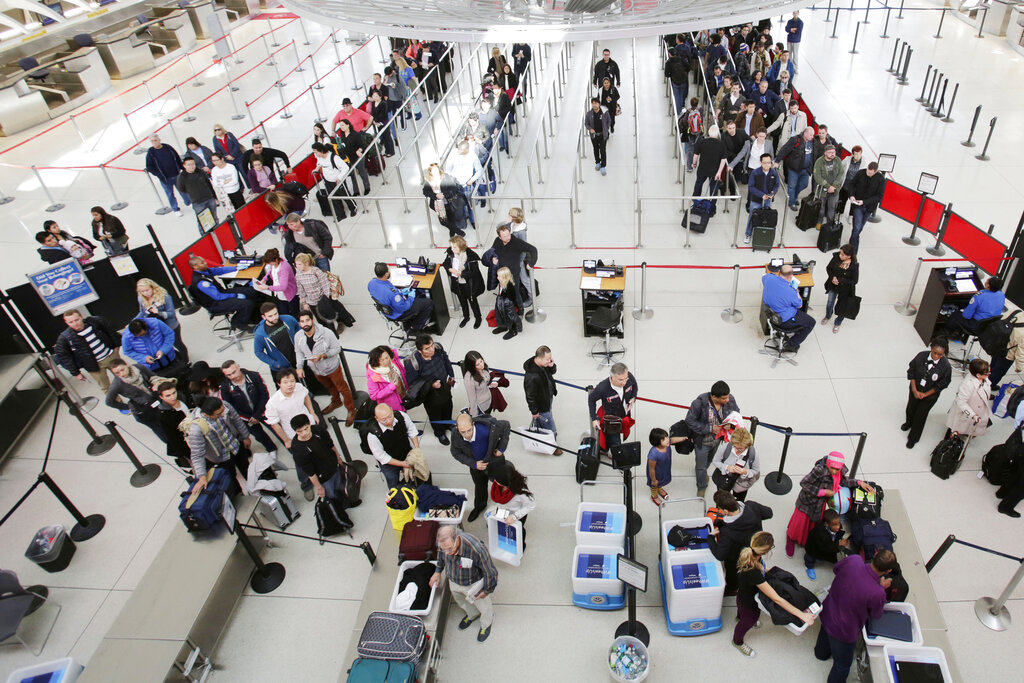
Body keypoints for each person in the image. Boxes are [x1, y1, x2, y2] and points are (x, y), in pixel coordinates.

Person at [815, 550, 897, 682]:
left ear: (874, 555)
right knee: (842, 665)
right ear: (888, 571)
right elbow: (875, 614)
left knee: (825, 634)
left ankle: (821, 654)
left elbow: (836, 569)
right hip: (844, 632)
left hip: (828, 611)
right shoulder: (877, 593)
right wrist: (881, 588)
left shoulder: (854, 560)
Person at [733, 531, 815, 658]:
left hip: (743, 593)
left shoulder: (749, 553)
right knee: (748, 620)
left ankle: (740, 617)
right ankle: (737, 641)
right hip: (749, 603)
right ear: (765, 551)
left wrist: (765, 570)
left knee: (742, 610)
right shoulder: (752, 572)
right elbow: (777, 599)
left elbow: (759, 571)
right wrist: (801, 615)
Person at [785, 451, 876, 557]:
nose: (834, 471)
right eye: (831, 467)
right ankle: (791, 538)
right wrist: (823, 492)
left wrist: (859, 483)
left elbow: (843, 482)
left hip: (820, 504)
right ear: (827, 463)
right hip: (807, 502)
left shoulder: (839, 472)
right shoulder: (819, 471)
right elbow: (804, 483)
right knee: (800, 523)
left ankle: (805, 539)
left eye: (837, 469)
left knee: (812, 525)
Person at [430, 526, 498, 643]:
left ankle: (486, 623)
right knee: (462, 601)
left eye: (450, 549)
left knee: (484, 606)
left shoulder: (476, 549)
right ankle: (472, 614)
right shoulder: (444, 545)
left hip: (473, 584)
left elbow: (490, 572)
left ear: (457, 538)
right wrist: (437, 572)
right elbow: (441, 557)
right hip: (454, 580)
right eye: (443, 549)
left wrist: (486, 590)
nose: (447, 552)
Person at [264, 368, 319, 499]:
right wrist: (286, 440)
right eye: (286, 382)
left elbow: (306, 396)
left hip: (309, 426)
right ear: (279, 384)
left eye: (292, 381)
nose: (290, 385)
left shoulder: (299, 388)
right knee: (301, 462)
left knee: (317, 451)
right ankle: (306, 486)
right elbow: (274, 423)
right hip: (293, 435)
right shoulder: (273, 403)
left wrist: (312, 413)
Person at [293, 311, 356, 424]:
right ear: (299, 323)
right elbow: (298, 352)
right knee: (330, 387)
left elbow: (336, 349)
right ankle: (336, 401)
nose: (305, 323)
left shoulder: (327, 333)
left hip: (332, 368)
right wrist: (299, 367)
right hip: (316, 370)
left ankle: (351, 409)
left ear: (312, 320)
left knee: (343, 388)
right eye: (302, 321)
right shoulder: (298, 336)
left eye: (307, 320)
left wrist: (322, 356)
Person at [707, 490, 774, 594]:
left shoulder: (727, 532)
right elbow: (769, 513)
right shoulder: (752, 506)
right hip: (756, 548)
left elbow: (720, 555)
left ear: (725, 511)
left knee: (733, 576)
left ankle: (732, 589)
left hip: (737, 559)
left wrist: (710, 538)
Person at [451, 413, 510, 522]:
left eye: (469, 430)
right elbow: (455, 452)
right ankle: (479, 506)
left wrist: (501, 448)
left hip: (495, 462)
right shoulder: (455, 434)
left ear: (473, 424)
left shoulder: (487, 428)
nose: (467, 435)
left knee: (502, 483)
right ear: (457, 428)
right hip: (476, 467)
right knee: (480, 486)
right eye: (463, 432)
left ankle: (506, 506)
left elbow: (506, 425)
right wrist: (473, 464)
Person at [686, 381, 741, 497]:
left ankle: (703, 470)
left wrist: (730, 424)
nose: (728, 400)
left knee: (709, 460)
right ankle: (701, 486)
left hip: (717, 441)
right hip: (702, 442)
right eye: (724, 398)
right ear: (714, 397)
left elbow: (736, 413)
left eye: (728, 397)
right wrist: (709, 428)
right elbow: (690, 421)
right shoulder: (699, 404)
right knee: (700, 467)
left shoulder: (730, 399)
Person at [186, 397, 251, 493]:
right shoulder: (197, 428)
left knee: (247, 469)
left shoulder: (224, 405)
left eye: (222, 411)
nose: (223, 414)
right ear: (207, 415)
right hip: (222, 458)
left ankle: (255, 487)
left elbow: (237, 420)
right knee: (231, 479)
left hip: (235, 445)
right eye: (218, 414)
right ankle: (240, 495)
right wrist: (202, 476)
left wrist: (245, 436)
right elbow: (197, 454)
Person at [220, 360, 279, 458]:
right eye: (228, 375)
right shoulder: (225, 387)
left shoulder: (254, 376)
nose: (232, 376)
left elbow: (264, 395)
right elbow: (230, 406)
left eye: (234, 372)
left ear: (238, 367)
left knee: (276, 428)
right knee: (259, 435)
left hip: (262, 410)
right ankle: (271, 448)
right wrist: (248, 418)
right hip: (246, 417)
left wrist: (257, 414)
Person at [404, 335, 456, 444]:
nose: (432, 349)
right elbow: (413, 384)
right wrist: (431, 385)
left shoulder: (438, 348)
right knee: (435, 413)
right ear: (419, 350)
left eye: (432, 345)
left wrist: (451, 375)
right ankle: (439, 433)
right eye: (427, 348)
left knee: (448, 405)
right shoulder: (412, 363)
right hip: (429, 394)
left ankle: (448, 423)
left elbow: (446, 361)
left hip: (444, 386)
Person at [289, 414, 350, 506]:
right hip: (323, 477)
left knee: (341, 487)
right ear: (295, 431)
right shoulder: (298, 449)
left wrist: (338, 458)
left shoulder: (318, 430)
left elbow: (330, 445)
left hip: (334, 466)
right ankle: (338, 510)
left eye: (306, 428)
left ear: (309, 424)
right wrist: (319, 487)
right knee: (331, 496)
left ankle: (345, 503)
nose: (304, 433)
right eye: (299, 431)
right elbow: (310, 472)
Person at [903, 339, 953, 449]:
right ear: (931, 349)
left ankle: (913, 438)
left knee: (920, 416)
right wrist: (915, 390)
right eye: (934, 353)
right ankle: (908, 423)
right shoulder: (921, 356)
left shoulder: (946, 367)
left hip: (929, 396)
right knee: (910, 408)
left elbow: (942, 384)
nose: (936, 356)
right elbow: (911, 371)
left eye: (940, 354)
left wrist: (925, 394)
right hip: (915, 390)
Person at [54, 309, 120, 391]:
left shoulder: (94, 322)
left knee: (125, 379)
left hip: (111, 355)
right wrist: (76, 373)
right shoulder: (65, 337)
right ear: (66, 323)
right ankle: (119, 403)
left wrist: (116, 345)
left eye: (76, 320)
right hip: (94, 365)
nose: (75, 323)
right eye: (71, 322)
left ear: (81, 317)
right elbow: (63, 356)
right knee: (107, 388)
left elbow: (110, 330)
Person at [188, 256, 256, 332]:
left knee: (251, 292)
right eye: (202, 263)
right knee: (247, 304)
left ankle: (250, 317)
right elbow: (218, 297)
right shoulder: (202, 283)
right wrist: (235, 295)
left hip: (221, 293)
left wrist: (236, 268)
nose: (205, 263)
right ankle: (238, 322)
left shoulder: (205, 271)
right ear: (195, 266)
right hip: (215, 303)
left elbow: (219, 270)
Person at [105, 359, 165, 442]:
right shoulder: (117, 385)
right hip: (145, 410)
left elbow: (152, 376)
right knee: (162, 431)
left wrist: (156, 384)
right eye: (117, 373)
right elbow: (109, 401)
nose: (121, 374)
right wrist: (128, 407)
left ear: (127, 364)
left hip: (156, 400)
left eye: (122, 370)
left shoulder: (138, 368)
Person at [364, 403, 421, 489]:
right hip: (389, 464)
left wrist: (416, 448)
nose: (388, 421)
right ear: (377, 418)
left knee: (412, 476)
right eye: (384, 420)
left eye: (390, 416)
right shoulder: (373, 435)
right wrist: (402, 464)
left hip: (405, 453)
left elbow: (411, 429)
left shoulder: (401, 416)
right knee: (393, 483)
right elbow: (381, 456)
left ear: (391, 410)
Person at [763, 264, 815, 351]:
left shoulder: (769, 278)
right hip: (784, 320)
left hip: (771, 314)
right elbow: (800, 305)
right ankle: (791, 345)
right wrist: (797, 291)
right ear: (791, 276)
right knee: (811, 322)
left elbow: (765, 276)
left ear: (779, 272)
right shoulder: (791, 292)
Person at [368, 262, 434, 330]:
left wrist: (400, 292)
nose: (390, 271)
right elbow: (403, 307)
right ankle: (415, 327)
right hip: (398, 313)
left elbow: (384, 292)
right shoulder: (393, 294)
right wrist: (411, 297)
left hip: (387, 310)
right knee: (428, 303)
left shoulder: (371, 283)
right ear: (385, 274)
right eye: (389, 270)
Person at [588, 362, 639, 452]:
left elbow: (635, 386)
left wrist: (633, 397)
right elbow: (591, 399)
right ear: (612, 377)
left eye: (626, 379)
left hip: (625, 415)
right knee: (616, 444)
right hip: (612, 420)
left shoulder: (628, 377)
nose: (624, 382)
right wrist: (594, 418)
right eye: (620, 380)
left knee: (621, 435)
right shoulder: (602, 388)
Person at [135, 278, 188, 361]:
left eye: (147, 290)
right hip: (156, 327)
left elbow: (171, 313)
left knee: (177, 343)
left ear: (152, 287)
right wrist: (134, 321)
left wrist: (159, 313)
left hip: (170, 326)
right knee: (165, 346)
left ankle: (185, 360)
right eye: (142, 291)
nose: (145, 293)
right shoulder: (141, 298)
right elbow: (142, 312)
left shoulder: (165, 296)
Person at [523, 346, 562, 454]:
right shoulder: (531, 376)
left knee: (546, 417)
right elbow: (530, 396)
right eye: (547, 359)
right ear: (539, 358)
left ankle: (546, 431)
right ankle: (553, 446)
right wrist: (534, 411)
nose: (549, 360)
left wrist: (551, 365)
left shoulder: (542, 364)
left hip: (547, 398)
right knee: (550, 425)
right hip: (542, 404)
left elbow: (552, 373)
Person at [488, 224, 538, 307]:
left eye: (508, 235)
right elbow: (492, 251)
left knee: (516, 293)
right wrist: (493, 258)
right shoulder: (497, 241)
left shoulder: (516, 242)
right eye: (504, 236)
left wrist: (531, 263)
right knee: (504, 292)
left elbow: (533, 249)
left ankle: (520, 310)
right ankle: (507, 308)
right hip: (502, 274)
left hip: (513, 274)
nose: (508, 237)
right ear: (499, 237)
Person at [945, 358, 992, 440]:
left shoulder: (983, 378)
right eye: (987, 373)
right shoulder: (967, 385)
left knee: (970, 428)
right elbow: (961, 402)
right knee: (957, 426)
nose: (988, 374)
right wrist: (972, 415)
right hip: (967, 413)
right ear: (978, 375)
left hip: (977, 410)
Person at [443, 235, 484, 329]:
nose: (452, 249)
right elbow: (445, 263)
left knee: (472, 300)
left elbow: (474, 272)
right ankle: (466, 317)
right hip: (457, 282)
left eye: (454, 247)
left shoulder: (471, 256)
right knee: (462, 300)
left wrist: (460, 273)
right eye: (451, 246)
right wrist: (450, 269)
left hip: (469, 283)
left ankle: (478, 317)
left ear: (461, 246)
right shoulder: (451, 253)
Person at [818, 244, 860, 334]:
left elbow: (854, 281)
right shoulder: (837, 257)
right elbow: (829, 268)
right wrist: (833, 277)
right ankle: (828, 316)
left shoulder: (854, 265)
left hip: (845, 289)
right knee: (830, 302)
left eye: (843, 255)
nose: (840, 255)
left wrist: (840, 280)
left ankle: (838, 322)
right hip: (833, 285)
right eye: (840, 253)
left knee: (842, 306)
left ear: (849, 256)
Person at [712, 426, 760, 501]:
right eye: (735, 447)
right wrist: (727, 467)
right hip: (724, 481)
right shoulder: (725, 447)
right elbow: (715, 461)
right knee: (722, 501)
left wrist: (745, 472)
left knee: (738, 503)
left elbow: (756, 470)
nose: (737, 450)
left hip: (741, 485)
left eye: (740, 448)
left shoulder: (753, 454)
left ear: (747, 446)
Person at [311, 142, 356, 220]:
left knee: (345, 195)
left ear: (321, 151)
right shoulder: (319, 157)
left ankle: (353, 208)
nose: (315, 154)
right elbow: (319, 163)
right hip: (328, 181)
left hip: (337, 181)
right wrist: (316, 169)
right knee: (334, 198)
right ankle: (340, 214)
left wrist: (339, 178)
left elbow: (345, 168)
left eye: (316, 152)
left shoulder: (334, 158)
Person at [846, 161, 885, 251]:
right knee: (857, 227)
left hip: (869, 207)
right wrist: (851, 195)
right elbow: (851, 184)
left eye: (870, 173)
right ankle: (853, 250)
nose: (867, 173)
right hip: (857, 206)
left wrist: (864, 202)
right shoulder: (861, 173)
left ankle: (852, 240)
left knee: (860, 228)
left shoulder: (881, 180)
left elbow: (879, 197)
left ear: (876, 171)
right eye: (867, 171)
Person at [423, 162, 469, 237]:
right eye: (433, 171)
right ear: (430, 172)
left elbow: (453, 188)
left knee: (451, 217)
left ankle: (452, 232)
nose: (435, 172)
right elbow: (425, 192)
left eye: (436, 170)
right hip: (438, 204)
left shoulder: (446, 177)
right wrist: (436, 195)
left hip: (449, 202)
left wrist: (443, 195)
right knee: (443, 221)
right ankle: (459, 231)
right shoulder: (428, 181)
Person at [145, 133, 186, 216]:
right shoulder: (151, 152)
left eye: (155, 140)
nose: (154, 142)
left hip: (176, 174)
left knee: (183, 190)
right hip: (165, 178)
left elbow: (176, 157)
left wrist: (182, 168)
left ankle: (188, 201)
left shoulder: (168, 147)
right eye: (152, 141)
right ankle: (175, 209)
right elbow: (149, 166)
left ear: (159, 140)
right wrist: (159, 175)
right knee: (170, 194)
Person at [775, 126, 815, 211]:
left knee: (804, 184)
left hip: (805, 169)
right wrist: (777, 161)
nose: (812, 137)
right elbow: (785, 150)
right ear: (805, 133)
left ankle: (794, 196)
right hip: (794, 168)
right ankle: (791, 202)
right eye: (811, 135)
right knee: (792, 186)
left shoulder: (812, 142)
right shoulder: (795, 140)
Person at [251, 248, 298, 319]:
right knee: (284, 313)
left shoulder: (284, 269)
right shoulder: (275, 264)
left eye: (270, 263)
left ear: (275, 260)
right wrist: (264, 279)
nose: (269, 265)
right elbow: (271, 271)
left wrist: (267, 287)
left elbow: (283, 287)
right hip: (280, 294)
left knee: (293, 314)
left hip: (289, 295)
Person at [253, 303, 300, 375]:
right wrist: (274, 363)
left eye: (275, 313)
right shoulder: (260, 334)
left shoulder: (288, 319)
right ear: (264, 317)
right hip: (281, 368)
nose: (274, 317)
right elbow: (258, 352)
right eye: (270, 316)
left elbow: (298, 329)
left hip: (299, 359)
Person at [804, 509, 850, 581]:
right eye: (834, 524)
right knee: (810, 558)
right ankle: (808, 567)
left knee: (824, 557)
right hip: (813, 549)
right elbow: (826, 547)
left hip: (826, 546)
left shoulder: (835, 527)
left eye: (839, 523)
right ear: (826, 524)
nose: (838, 527)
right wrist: (839, 543)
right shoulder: (820, 533)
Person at [155, 381, 191, 470]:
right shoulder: (164, 415)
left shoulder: (182, 397)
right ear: (161, 397)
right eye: (168, 395)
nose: (173, 397)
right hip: (187, 440)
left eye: (174, 393)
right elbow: (173, 437)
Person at [744, 153, 780, 244]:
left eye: (769, 162)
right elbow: (751, 187)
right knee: (752, 216)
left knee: (765, 217)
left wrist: (773, 193)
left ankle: (762, 234)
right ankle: (748, 234)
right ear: (761, 162)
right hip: (756, 200)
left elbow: (776, 185)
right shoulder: (755, 173)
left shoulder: (774, 173)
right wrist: (761, 195)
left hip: (768, 200)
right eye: (765, 163)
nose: (767, 165)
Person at [176, 157, 219, 230]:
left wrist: (215, 197)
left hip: (209, 198)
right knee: (202, 221)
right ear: (184, 165)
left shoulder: (200, 172)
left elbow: (209, 185)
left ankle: (218, 231)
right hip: (198, 202)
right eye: (189, 164)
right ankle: (205, 237)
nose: (192, 166)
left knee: (214, 217)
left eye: (193, 164)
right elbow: (181, 189)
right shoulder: (182, 177)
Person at [692, 124, 727, 208]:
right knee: (713, 189)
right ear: (718, 134)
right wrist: (719, 172)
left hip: (702, 169)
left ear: (709, 133)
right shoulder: (721, 144)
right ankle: (712, 206)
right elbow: (723, 160)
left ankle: (695, 201)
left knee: (698, 185)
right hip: (715, 172)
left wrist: (694, 164)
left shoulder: (702, 142)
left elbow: (695, 156)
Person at [335, 118, 372, 197]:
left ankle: (367, 187)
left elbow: (362, 145)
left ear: (348, 125)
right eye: (340, 126)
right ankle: (356, 190)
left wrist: (359, 151)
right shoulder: (342, 135)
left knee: (362, 172)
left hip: (358, 157)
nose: (341, 127)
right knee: (353, 175)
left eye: (343, 125)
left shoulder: (355, 134)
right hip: (349, 158)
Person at [812, 144, 844, 226]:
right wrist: (828, 186)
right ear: (825, 153)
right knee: (821, 208)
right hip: (822, 190)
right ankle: (819, 222)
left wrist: (834, 186)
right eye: (830, 152)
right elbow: (817, 177)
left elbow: (841, 174)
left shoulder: (838, 160)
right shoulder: (819, 162)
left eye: (834, 152)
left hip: (834, 190)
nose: (832, 154)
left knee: (832, 208)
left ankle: (829, 225)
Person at [463, 350, 498, 417]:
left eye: (481, 361)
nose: (481, 365)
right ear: (472, 366)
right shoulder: (469, 378)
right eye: (477, 364)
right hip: (481, 406)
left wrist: (490, 384)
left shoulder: (484, 368)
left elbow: (485, 382)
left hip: (489, 401)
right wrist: (474, 417)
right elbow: (472, 399)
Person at [492, 267, 522, 340]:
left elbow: (512, 297)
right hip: (501, 301)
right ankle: (503, 326)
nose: (497, 277)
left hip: (508, 304)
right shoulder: (502, 281)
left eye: (499, 276)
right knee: (499, 314)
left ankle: (513, 330)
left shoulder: (510, 285)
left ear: (504, 277)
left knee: (510, 317)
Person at [647, 428, 673, 505]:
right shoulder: (653, 454)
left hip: (664, 469)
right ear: (657, 442)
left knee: (662, 481)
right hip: (656, 473)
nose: (668, 440)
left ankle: (660, 488)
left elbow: (673, 440)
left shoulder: (666, 444)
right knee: (654, 484)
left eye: (667, 437)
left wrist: (683, 438)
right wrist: (654, 480)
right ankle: (654, 495)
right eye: (664, 439)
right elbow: (651, 469)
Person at [585, 97, 610, 176]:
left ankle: (603, 166)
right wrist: (590, 129)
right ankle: (598, 162)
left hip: (603, 135)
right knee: (595, 149)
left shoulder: (604, 112)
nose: (594, 105)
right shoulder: (589, 114)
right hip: (594, 136)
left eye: (596, 103)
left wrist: (606, 128)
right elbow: (586, 124)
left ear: (599, 104)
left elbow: (609, 121)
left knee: (602, 150)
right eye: (593, 103)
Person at [665, 45, 691, 114]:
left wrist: (671, 75)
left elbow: (666, 74)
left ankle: (678, 112)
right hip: (683, 80)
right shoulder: (681, 59)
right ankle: (681, 107)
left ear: (670, 54)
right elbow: (689, 67)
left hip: (675, 81)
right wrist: (685, 72)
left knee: (677, 96)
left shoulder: (669, 62)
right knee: (681, 95)